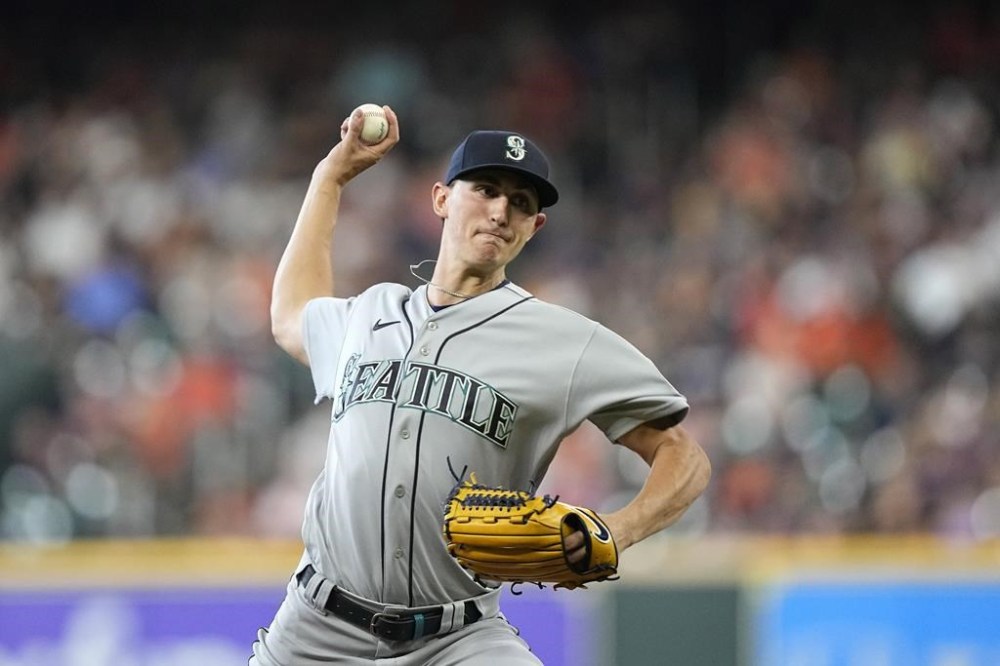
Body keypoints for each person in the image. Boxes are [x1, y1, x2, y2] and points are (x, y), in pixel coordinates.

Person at [252, 105, 712, 665]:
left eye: (521, 203)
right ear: (441, 199)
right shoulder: (369, 314)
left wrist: (619, 530)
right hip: (317, 631)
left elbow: (681, 453)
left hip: (458, 640)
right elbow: (291, 314)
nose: (501, 211)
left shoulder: (563, 340)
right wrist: (331, 176)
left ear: (534, 228)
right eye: (487, 190)